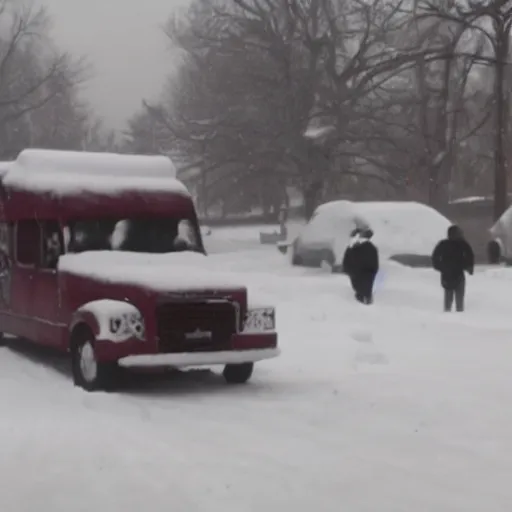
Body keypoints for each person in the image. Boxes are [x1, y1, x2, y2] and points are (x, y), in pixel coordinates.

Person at [432, 225, 474, 312]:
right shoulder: (445, 244)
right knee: (450, 300)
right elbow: (435, 258)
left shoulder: (462, 244)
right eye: (459, 233)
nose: (461, 235)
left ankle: (455, 316)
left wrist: (468, 266)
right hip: (450, 275)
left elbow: (470, 256)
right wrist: (441, 267)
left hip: (454, 275)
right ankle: (450, 317)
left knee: (456, 301)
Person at [342, 228, 379, 304]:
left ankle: (365, 298)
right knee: (362, 285)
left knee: (362, 285)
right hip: (362, 272)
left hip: (362, 272)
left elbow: (348, 260)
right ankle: (365, 298)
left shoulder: (363, 247)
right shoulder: (364, 247)